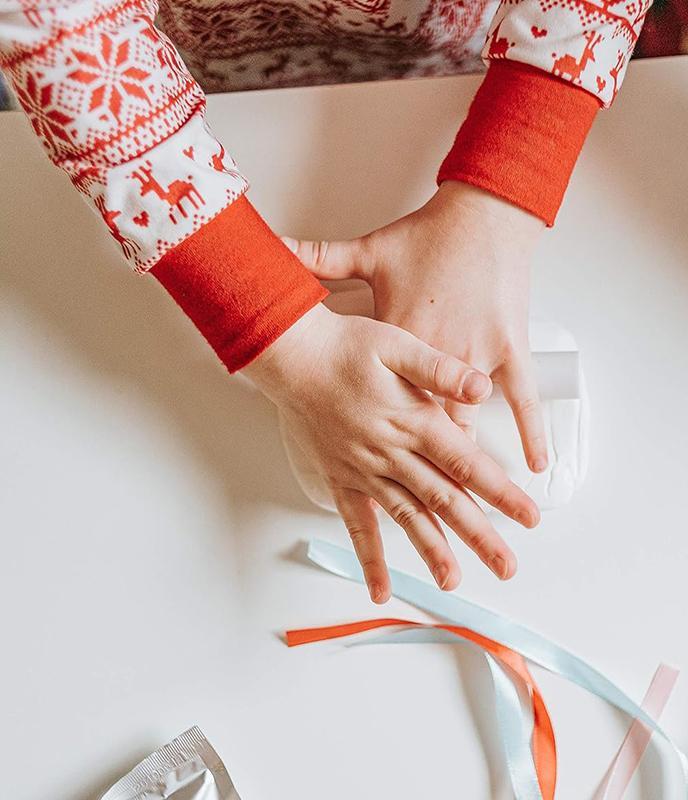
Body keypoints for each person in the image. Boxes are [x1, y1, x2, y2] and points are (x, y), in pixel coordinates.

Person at [0, 0, 640, 601]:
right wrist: (282, 336)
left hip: (473, 50)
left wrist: (499, 199)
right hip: (191, 78)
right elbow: (59, 29)